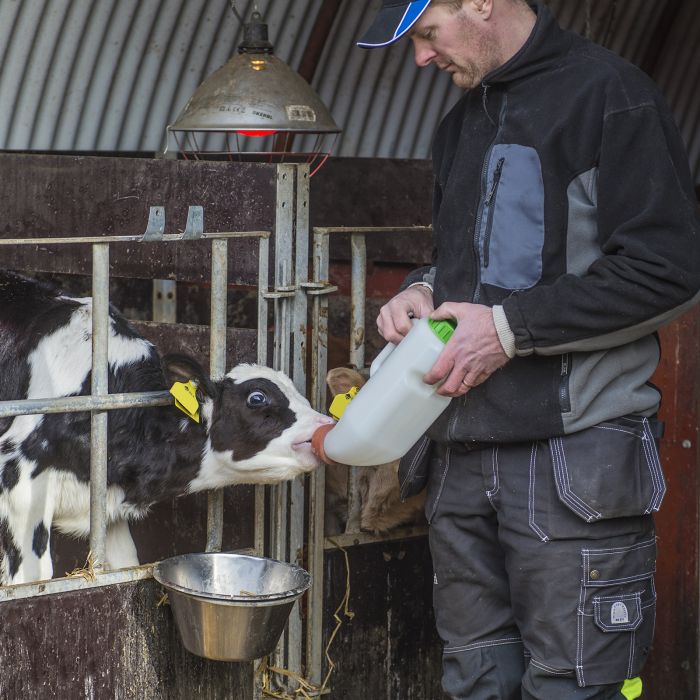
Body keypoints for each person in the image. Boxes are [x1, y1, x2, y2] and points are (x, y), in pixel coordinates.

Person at [357, 1, 700, 698]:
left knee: (574, 684)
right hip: (460, 452)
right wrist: (421, 293)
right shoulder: (463, 123)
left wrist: (509, 330)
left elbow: (669, 267)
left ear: (481, 3)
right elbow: (468, 271)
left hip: (571, 457)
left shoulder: (611, 97)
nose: (421, 59)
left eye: (427, 34)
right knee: (475, 676)